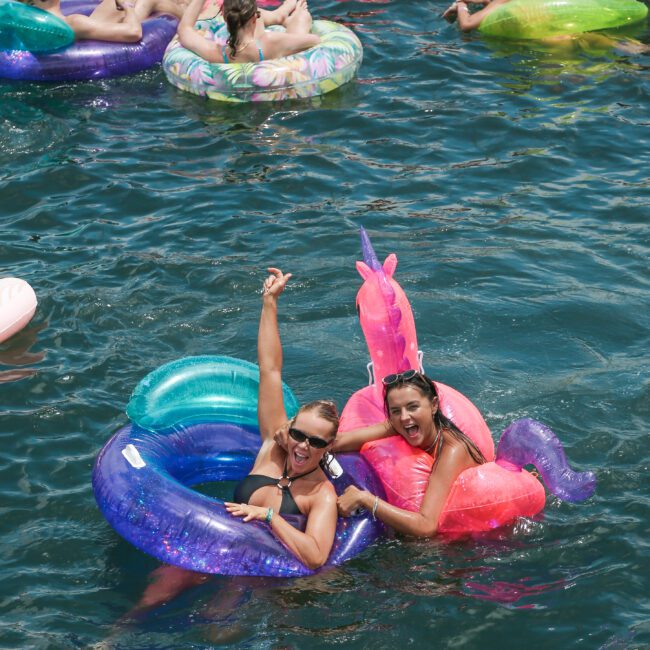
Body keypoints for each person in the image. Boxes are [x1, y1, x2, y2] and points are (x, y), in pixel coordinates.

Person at [222, 267, 338, 570]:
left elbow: (315, 556)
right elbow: (270, 368)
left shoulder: (321, 493)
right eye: (299, 435)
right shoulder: (274, 442)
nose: (302, 446)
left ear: (328, 446)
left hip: (261, 573)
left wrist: (271, 517)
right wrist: (270, 302)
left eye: (315, 442)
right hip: (219, 545)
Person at [334, 369, 488, 537]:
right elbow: (341, 441)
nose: (404, 417)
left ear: (434, 405)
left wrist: (366, 499)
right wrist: (309, 443)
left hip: (472, 538)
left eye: (413, 407)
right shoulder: (401, 425)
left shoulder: (452, 450)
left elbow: (427, 526)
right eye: (396, 411)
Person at [178, 0, 320, 64]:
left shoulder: (217, 53)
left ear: (224, 17)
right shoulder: (272, 41)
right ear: (254, 18)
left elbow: (184, 29)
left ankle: (280, 15)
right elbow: (315, 40)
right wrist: (302, 17)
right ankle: (283, 15)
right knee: (302, 17)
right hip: (267, 52)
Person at [18, 0, 189, 42]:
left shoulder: (26, 21)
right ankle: (190, 16)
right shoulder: (73, 22)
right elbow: (133, 33)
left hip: (88, 31)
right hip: (100, 37)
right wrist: (127, 6)